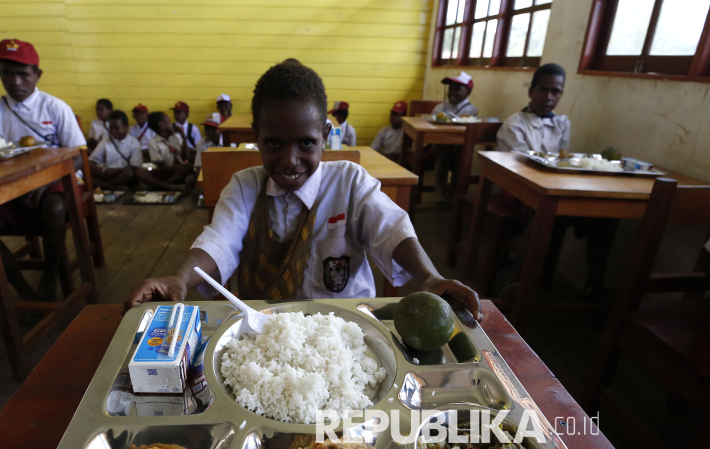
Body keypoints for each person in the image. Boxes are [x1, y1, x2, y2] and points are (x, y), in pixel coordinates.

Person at [124, 60, 481, 321]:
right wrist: (179, 278)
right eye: (274, 143)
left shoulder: (349, 182)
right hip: (265, 322)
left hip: (344, 324)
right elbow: (219, 241)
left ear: (325, 135)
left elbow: (391, 230)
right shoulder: (246, 187)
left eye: (306, 143)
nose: (289, 160)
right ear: (256, 135)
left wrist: (429, 276)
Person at [0, 38, 87, 303]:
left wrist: (42, 182)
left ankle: (49, 275)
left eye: (23, 74)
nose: (15, 82)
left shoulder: (54, 107)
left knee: (55, 208)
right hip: (10, 186)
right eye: (7, 73)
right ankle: (22, 288)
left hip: (55, 182)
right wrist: (13, 186)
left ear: (37, 75)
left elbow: (79, 156)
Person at [496, 63, 617, 300]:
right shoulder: (514, 124)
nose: (548, 97)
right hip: (519, 188)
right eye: (542, 89)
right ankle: (518, 283)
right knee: (545, 213)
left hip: (554, 189)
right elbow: (517, 167)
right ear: (531, 91)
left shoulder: (562, 122)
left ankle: (594, 286)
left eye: (556, 91)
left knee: (606, 217)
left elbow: (563, 157)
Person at [427, 72, 479, 207]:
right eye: (450, 89)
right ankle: (439, 195)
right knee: (441, 160)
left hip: (459, 149)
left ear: (468, 91)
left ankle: (452, 196)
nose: (452, 92)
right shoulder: (441, 107)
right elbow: (432, 123)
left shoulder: (471, 110)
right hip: (441, 147)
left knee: (461, 162)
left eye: (457, 89)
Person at [134, 112, 193, 192]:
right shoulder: (153, 143)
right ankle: (169, 186)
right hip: (167, 172)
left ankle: (160, 186)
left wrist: (184, 137)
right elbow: (163, 167)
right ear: (161, 125)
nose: (172, 123)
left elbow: (186, 157)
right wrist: (181, 167)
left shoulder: (176, 137)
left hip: (181, 172)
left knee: (189, 168)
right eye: (168, 121)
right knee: (139, 172)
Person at [88, 110, 141, 191]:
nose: (112, 131)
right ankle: (114, 187)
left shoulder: (134, 143)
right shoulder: (105, 141)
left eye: (117, 128)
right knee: (85, 174)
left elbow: (134, 166)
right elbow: (92, 161)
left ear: (126, 127)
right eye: (111, 128)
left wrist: (114, 171)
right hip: (107, 175)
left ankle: (106, 186)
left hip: (122, 174)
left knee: (129, 174)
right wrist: (99, 170)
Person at [192, 116, 221, 184]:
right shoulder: (202, 143)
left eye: (213, 128)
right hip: (209, 173)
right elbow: (199, 166)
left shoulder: (228, 141)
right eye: (207, 128)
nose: (209, 131)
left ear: (221, 129)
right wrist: (200, 185)